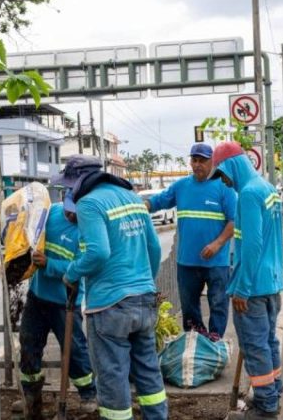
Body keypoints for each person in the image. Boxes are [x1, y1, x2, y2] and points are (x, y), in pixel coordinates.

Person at [59, 155, 168, 420]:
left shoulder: (89, 203)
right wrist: (146, 284)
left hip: (109, 305)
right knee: (148, 370)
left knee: (112, 375)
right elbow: (153, 248)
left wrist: (71, 273)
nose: (69, 191)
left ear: (79, 180)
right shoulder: (133, 198)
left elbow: (98, 252)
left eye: (69, 185)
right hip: (143, 299)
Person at [210, 142, 283, 420]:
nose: (224, 180)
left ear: (232, 166)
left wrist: (241, 287)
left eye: (222, 174)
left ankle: (265, 405)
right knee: (268, 342)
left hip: (252, 286)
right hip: (271, 282)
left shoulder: (249, 195)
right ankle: (274, 390)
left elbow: (252, 245)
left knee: (254, 346)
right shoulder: (267, 189)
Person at [16, 195, 97, 419]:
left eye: (76, 212)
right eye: (69, 211)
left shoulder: (87, 229)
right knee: (28, 344)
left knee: (74, 349)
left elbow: (80, 266)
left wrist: (49, 264)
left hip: (65, 301)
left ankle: (88, 393)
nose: (71, 216)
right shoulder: (49, 213)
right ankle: (31, 395)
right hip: (38, 295)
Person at [144, 143, 236, 339]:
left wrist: (217, 244)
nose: (197, 165)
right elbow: (159, 201)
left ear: (212, 162)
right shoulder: (182, 186)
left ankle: (215, 342)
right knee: (189, 308)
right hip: (187, 262)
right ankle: (195, 344)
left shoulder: (224, 187)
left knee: (218, 304)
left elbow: (234, 221)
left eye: (202, 160)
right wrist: (142, 204)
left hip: (217, 262)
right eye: (194, 160)